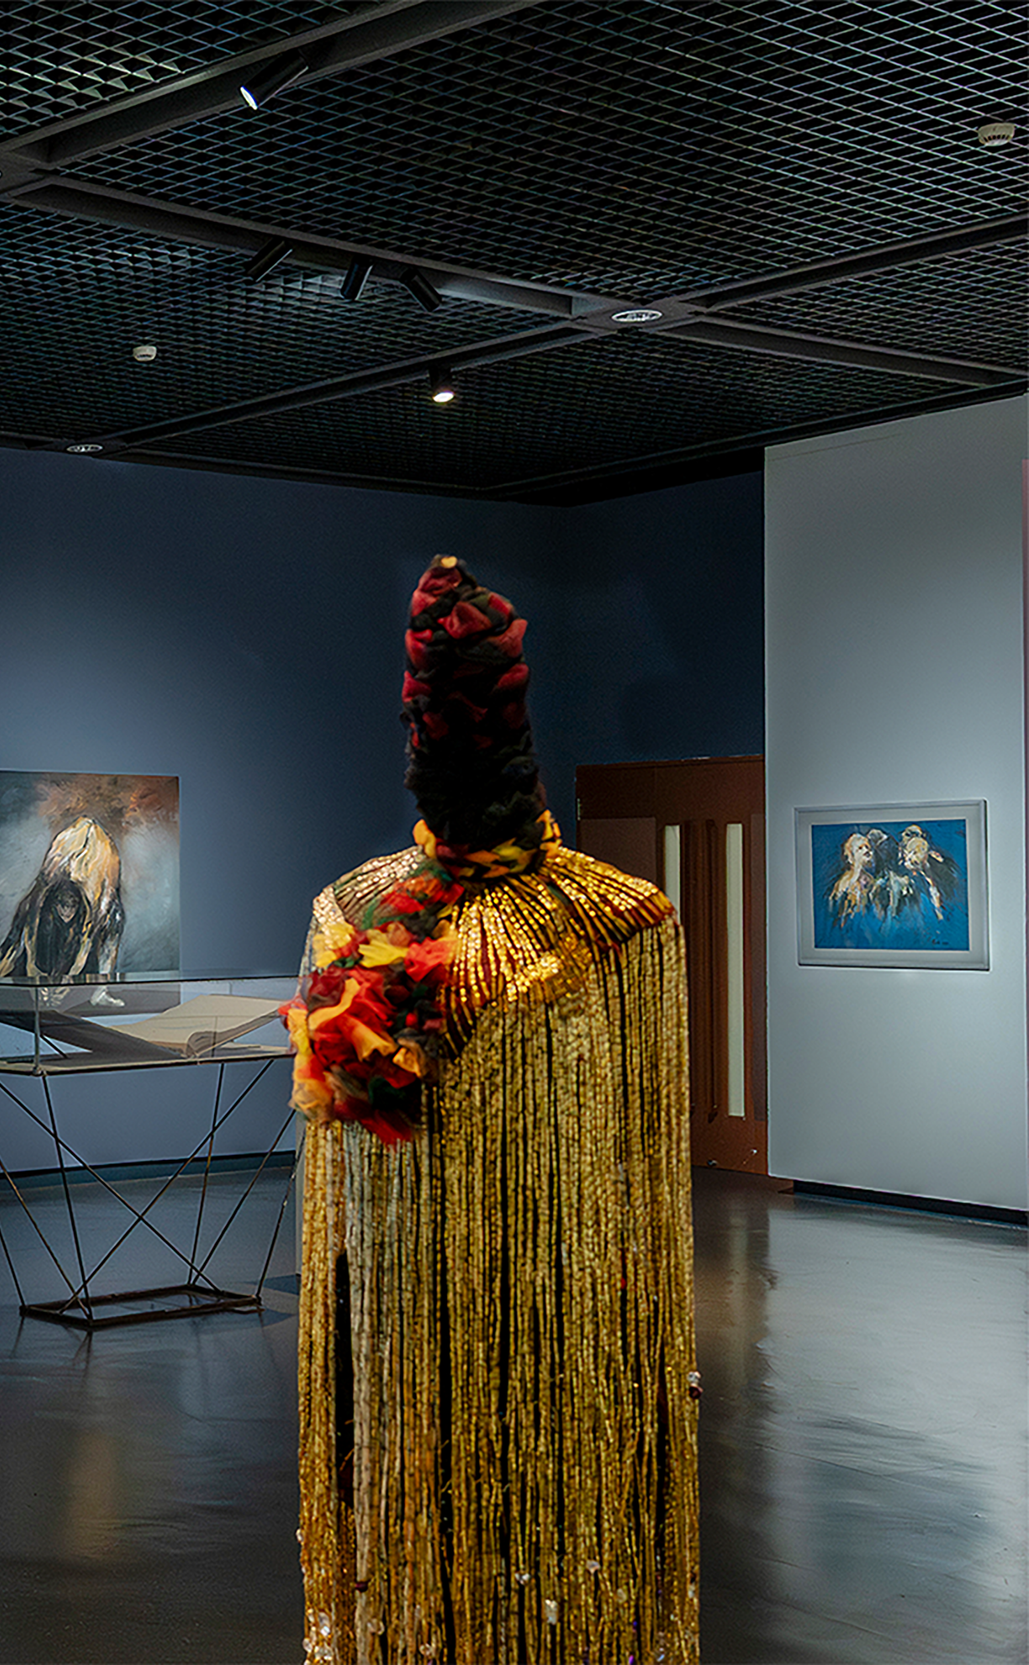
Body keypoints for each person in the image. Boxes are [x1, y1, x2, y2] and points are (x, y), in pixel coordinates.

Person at [284, 557, 698, 1663]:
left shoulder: (598, 921)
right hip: (449, 1300)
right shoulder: (610, 917)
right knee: (467, 1484)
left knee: (492, 1487)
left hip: (530, 1298)